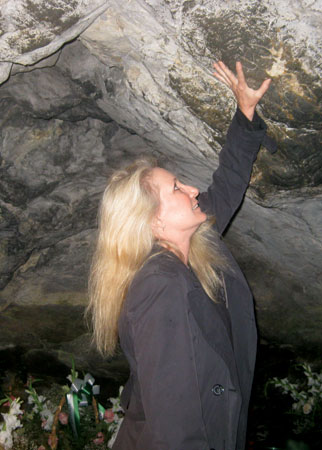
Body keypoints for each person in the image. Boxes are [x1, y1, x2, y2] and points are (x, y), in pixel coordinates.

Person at [87, 61, 273, 450]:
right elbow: (173, 416)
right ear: (153, 222)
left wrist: (245, 113)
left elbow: (224, 189)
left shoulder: (191, 252)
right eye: (176, 188)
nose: (190, 188)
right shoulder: (159, 285)